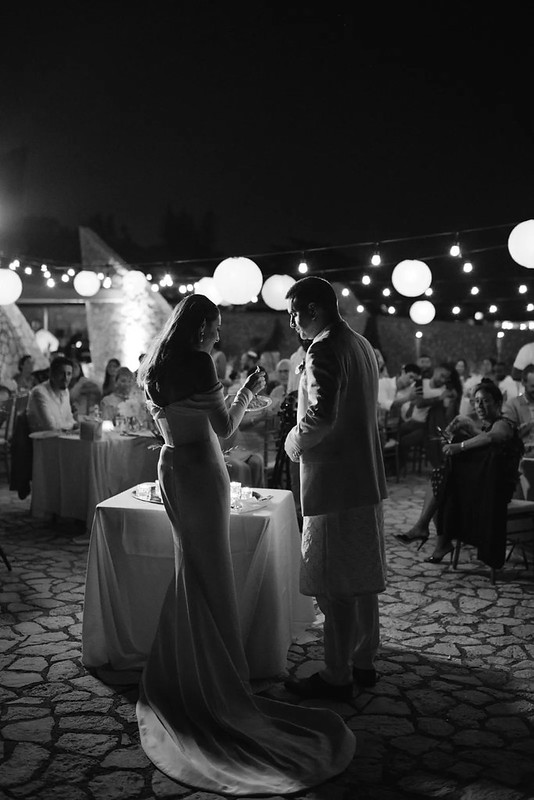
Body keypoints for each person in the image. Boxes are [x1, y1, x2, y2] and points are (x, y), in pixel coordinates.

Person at [134, 294, 355, 794]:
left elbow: (174, 421)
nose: (218, 336)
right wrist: (246, 389)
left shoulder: (157, 360)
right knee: (210, 571)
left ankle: (186, 665)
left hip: (171, 465)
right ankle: (216, 679)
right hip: (200, 469)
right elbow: (225, 431)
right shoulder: (196, 360)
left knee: (191, 567)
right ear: (201, 327)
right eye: (214, 328)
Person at [282, 276, 388, 701]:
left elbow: (322, 416)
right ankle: (364, 660)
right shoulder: (360, 344)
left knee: (334, 583)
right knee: (360, 577)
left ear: (313, 309)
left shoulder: (325, 346)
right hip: (364, 478)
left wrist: (292, 442)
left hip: (336, 482)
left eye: (293, 313)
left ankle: (337, 673)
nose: (292, 322)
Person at [396, 381, 522, 564]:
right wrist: (462, 436)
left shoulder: (504, 423)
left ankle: (428, 532)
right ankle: (434, 538)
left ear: (498, 403)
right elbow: (483, 443)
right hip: (483, 484)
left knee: (442, 480)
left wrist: (459, 446)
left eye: (485, 401)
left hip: (497, 490)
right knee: (442, 481)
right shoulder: (487, 426)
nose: (479, 406)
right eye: (477, 401)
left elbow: (493, 437)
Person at [27, 356, 76, 433]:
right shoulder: (39, 393)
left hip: (61, 438)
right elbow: (50, 428)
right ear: (51, 374)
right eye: (61, 373)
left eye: (69, 374)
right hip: (42, 442)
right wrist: (72, 426)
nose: (66, 378)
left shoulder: (65, 392)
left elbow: (70, 418)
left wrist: (73, 425)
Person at [502, 363, 534, 455]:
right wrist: (528, 426)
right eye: (533, 386)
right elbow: (506, 437)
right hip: (524, 457)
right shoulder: (512, 405)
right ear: (523, 382)